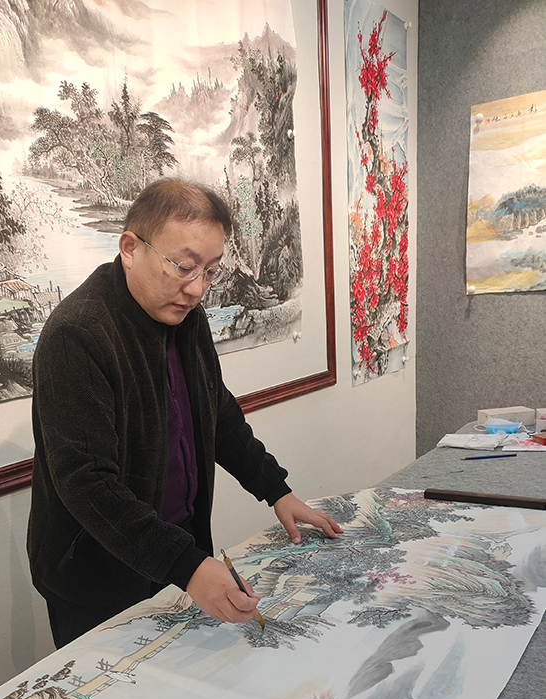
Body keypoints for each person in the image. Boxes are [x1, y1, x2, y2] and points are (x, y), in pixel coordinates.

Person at [27, 179, 342, 648]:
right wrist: (189, 566)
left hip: (173, 552)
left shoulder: (185, 317)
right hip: (99, 575)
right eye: (184, 267)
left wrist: (276, 490)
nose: (196, 289)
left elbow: (217, 415)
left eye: (210, 271)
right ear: (130, 248)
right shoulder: (78, 335)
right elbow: (87, 483)